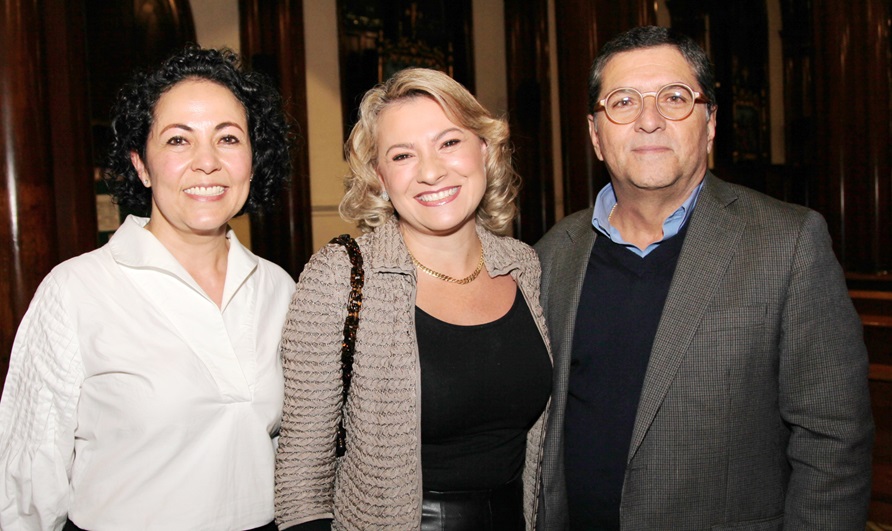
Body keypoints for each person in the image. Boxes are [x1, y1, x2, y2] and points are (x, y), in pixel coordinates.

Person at [535, 25, 874, 530]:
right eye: (623, 102)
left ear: (710, 123)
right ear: (595, 134)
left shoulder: (789, 243)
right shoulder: (551, 254)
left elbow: (833, 441)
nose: (649, 121)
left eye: (674, 98)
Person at [0, 46, 295, 530]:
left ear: (252, 160)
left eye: (228, 138)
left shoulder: (279, 289)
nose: (207, 162)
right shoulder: (76, 290)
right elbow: (29, 477)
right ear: (141, 164)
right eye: (179, 141)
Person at [275, 67, 553, 531]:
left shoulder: (524, 265)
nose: (430, 171)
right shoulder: (340, 276)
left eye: (449, 143)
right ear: (379, 176)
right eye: (403, 155)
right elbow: (302, 478)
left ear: (484, 150)